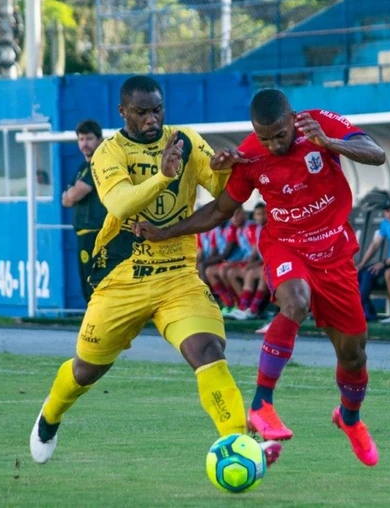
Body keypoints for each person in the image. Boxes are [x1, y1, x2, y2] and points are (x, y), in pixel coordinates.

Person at [29, 76, 282, 466]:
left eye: (157, 109)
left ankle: (239, 443)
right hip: (122, 279)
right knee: (87, 370)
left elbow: (222, 193)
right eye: (142, 111)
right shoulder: (108, 152)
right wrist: (163, 176)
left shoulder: (185, 140)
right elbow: (120, 205)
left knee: (208, 351)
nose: (152, 118)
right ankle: (50, 414)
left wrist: (226, 169)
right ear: (123, 112)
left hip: (178, 275)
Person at [134, 89, 386, 466]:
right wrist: (164, 231)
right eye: (264, 137)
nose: (272, 144)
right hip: (286, 246)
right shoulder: (250, 154)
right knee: (295, 302)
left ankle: (350, 420)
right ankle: (261, 404)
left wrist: (330, 142)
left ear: (292, 120)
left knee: (353, 355)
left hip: (335, 253)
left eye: (279, 136)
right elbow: (220, 211)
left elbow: (376, 153)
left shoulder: (317, 123)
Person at [61, 119, 106, 304]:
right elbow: (65, 200)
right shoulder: (82, 168)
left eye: (89, 138)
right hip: (83, 233)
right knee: (86, 283)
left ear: (100, 140)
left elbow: (74, 195)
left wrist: (71, 194)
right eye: (81, 139)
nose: (84, 143)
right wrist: (71, 194)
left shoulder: (99, 165)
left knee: (94, 283)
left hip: (95, 233)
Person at [355, 198, 390, 321]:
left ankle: (363, 310)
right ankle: (367, 311)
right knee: (360, 273)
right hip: (388, 262)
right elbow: (375, 245)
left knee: (368, 274)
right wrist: (361, 264)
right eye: (387, 211)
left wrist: (382, 264)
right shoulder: (385, 223)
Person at [227, 204, 268, 320]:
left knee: (261, 273)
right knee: (240, 272)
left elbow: (258, 253)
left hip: (273, 264)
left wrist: (252, 264)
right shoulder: (260, 228)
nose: (261, 217)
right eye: (258, 214)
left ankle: (253, 309)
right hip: (264, 263)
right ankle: (243, 307)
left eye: (263, 214)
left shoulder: (259, 228)